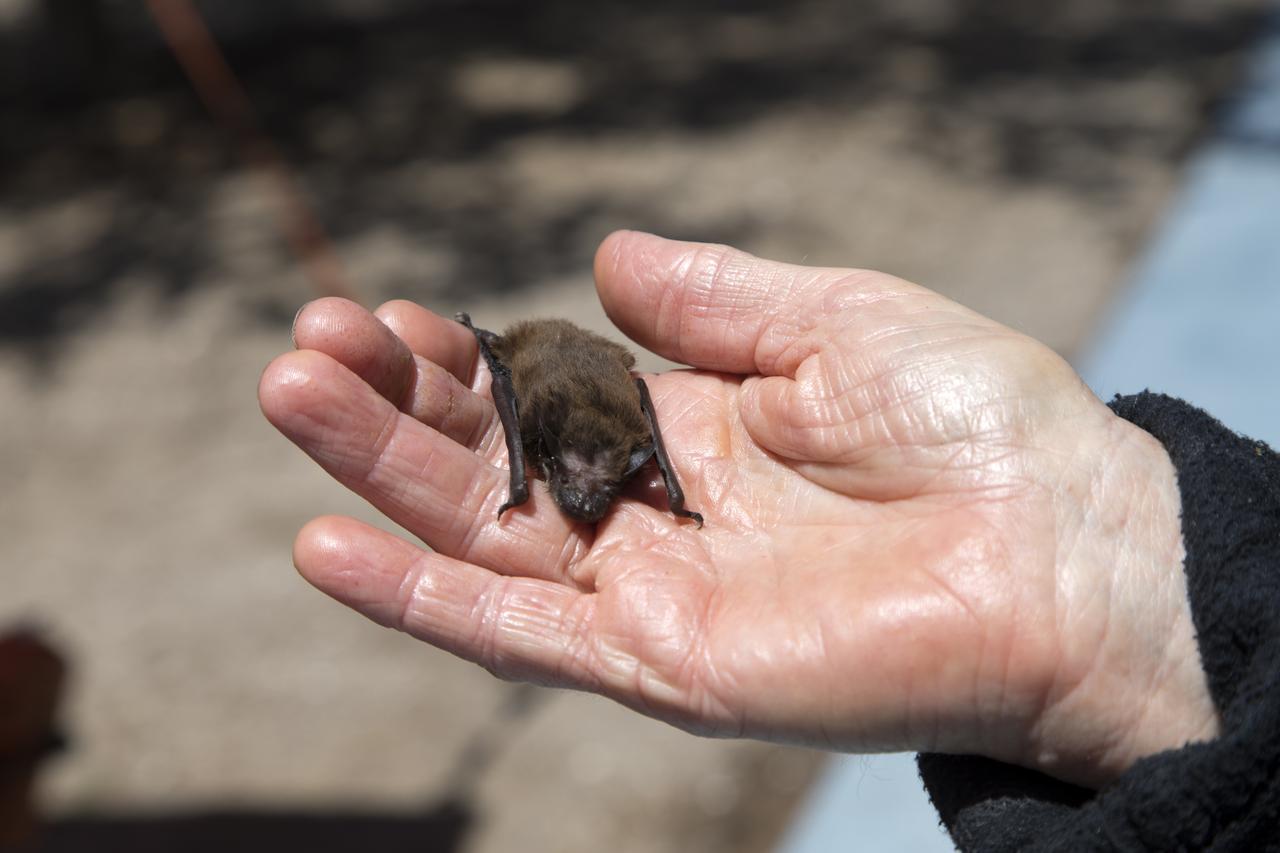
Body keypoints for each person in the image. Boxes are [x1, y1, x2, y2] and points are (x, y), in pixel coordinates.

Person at [258, 231, 1278, 850]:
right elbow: (527, 387)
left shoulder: (623, 439)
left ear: (613, 464)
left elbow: (621, 433)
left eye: (585, 484)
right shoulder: (544, 405)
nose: (579, 500)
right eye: (569, 484)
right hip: (548, 374)